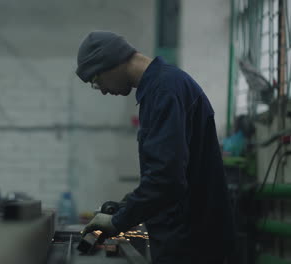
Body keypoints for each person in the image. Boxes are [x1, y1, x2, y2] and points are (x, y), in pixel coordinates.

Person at [76, 31, 235, 264]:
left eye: (96, 80)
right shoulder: (163, 86)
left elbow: (167, 179)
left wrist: (118, 222)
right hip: (191, 236)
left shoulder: (164, 91)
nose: (100, 89)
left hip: (191, 243)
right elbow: (168, 173)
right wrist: (125, 206)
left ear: (109, 63)